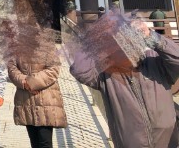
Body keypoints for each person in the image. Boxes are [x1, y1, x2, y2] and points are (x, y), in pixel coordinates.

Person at [70, 17, 179, 148]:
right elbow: (79, 70)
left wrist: (152, 36)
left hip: (167, 143)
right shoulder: (107, 73)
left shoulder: (155, 62)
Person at [7, 41, 67, 147]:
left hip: (45, 99)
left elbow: (53, 69)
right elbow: (11, 68)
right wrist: (25, 83)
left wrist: (32, 83)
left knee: (45, 142)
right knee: (34, 142)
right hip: (26, 99)